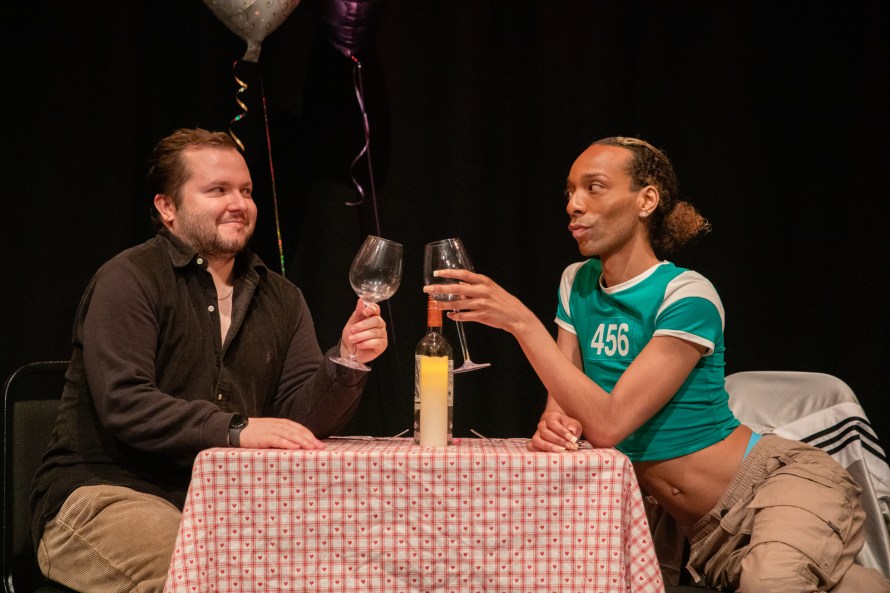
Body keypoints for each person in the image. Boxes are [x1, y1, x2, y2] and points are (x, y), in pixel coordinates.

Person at [425, 136, 890, 592]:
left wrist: (521, 322)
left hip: (772, 486)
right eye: (570, 191)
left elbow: (610, 424)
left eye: (594, 187)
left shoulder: (687, 294)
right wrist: (554, 426)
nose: (573, 205)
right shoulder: (576, 282)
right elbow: (564, 406)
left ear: (646, 200)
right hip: (707, 534)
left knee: (770, 582)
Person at [30, 128, 389, 593]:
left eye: (246, 191)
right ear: (167, 207)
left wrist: (347, 359)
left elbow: (300, 421)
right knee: (204, 566)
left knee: (337, 560)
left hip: (218, 503)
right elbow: (126, 403)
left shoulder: (281, 298)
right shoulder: (130, 279)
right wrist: (236, 428)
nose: (239, 204)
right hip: (105, 495)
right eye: (217, 190)